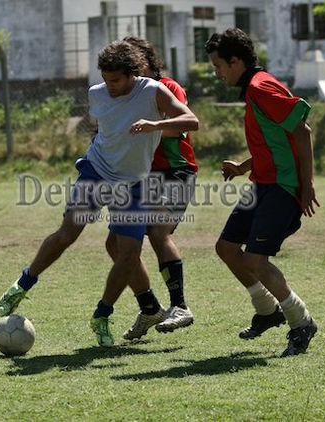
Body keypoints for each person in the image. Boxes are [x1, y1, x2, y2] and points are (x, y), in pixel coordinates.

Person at [0, 40, 199, 348]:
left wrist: (155, 124)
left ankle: (102, 316)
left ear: (132, 74)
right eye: (105, 79)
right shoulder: (96, 94)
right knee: (67, 234)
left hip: (134, 184)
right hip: (97, 173)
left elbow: (191, 121)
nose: (110, 86)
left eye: (115, 80)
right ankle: (21, 286)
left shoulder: (154, 91)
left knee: (127, 253)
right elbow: (104, 129)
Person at [205, 28, 320, 357]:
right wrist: (243, 167)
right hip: (263, 183)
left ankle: (301, 323)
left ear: (235, 60)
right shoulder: (254, 90)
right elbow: (277, 139)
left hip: (282, 187)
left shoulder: (260, 87)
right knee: (227, 247)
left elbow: (301, 130)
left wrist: (307, 183)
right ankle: (267, 311)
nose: (217, 73)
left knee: (255, 259)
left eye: (218, 66)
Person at [104, 36, 199, 339]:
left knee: (158, 231)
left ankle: (180, 306)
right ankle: (149, 307)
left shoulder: (167, 88)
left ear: (145, 61)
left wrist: (151, 127)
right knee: (115, 244)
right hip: (140, 178)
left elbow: (183, 125)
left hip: (174, 171)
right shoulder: (125, 96)